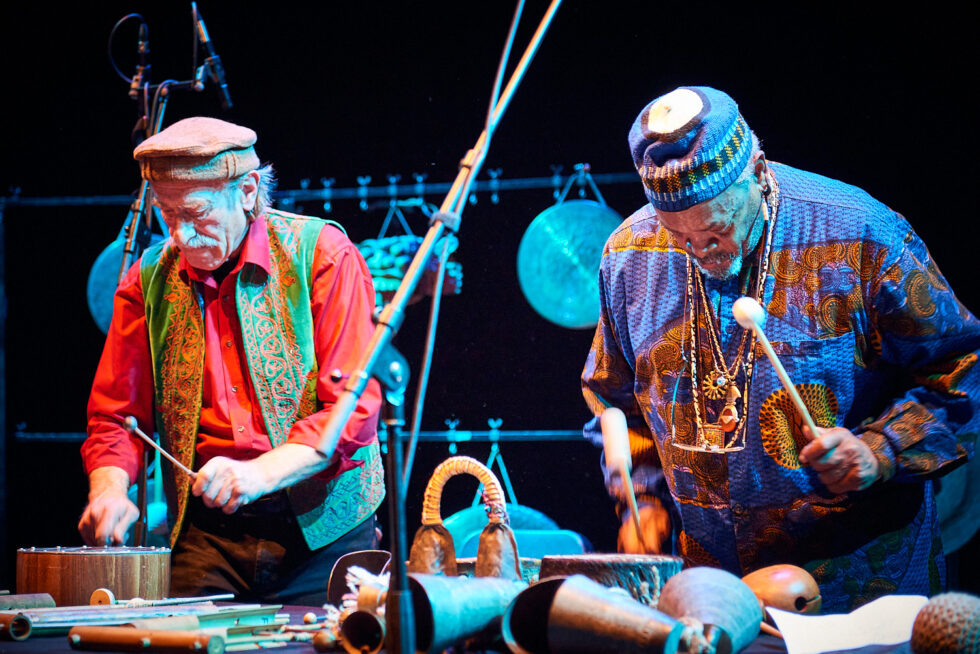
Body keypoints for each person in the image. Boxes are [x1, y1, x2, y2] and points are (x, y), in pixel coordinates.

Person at [581, 86, 980, 613]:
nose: (702, 254)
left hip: (858, 589)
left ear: (758, 171)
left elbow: (963, 369)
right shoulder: (630, 254)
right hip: (715, 596)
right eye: (682, 238)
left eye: (717, 232)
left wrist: (880, 450)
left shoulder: (863, 234)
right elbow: (615, 403)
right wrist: (644, 499)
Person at [78, 116, 385, 605]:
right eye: (166, 215)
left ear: (246, 190)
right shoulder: (146, 281)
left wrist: (261, 472)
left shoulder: (322, 254)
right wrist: (109, 490)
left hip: (323, 532)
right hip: (208, 537)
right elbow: (116, 416)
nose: (179, 236)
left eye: (196, 214)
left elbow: (352, 409)